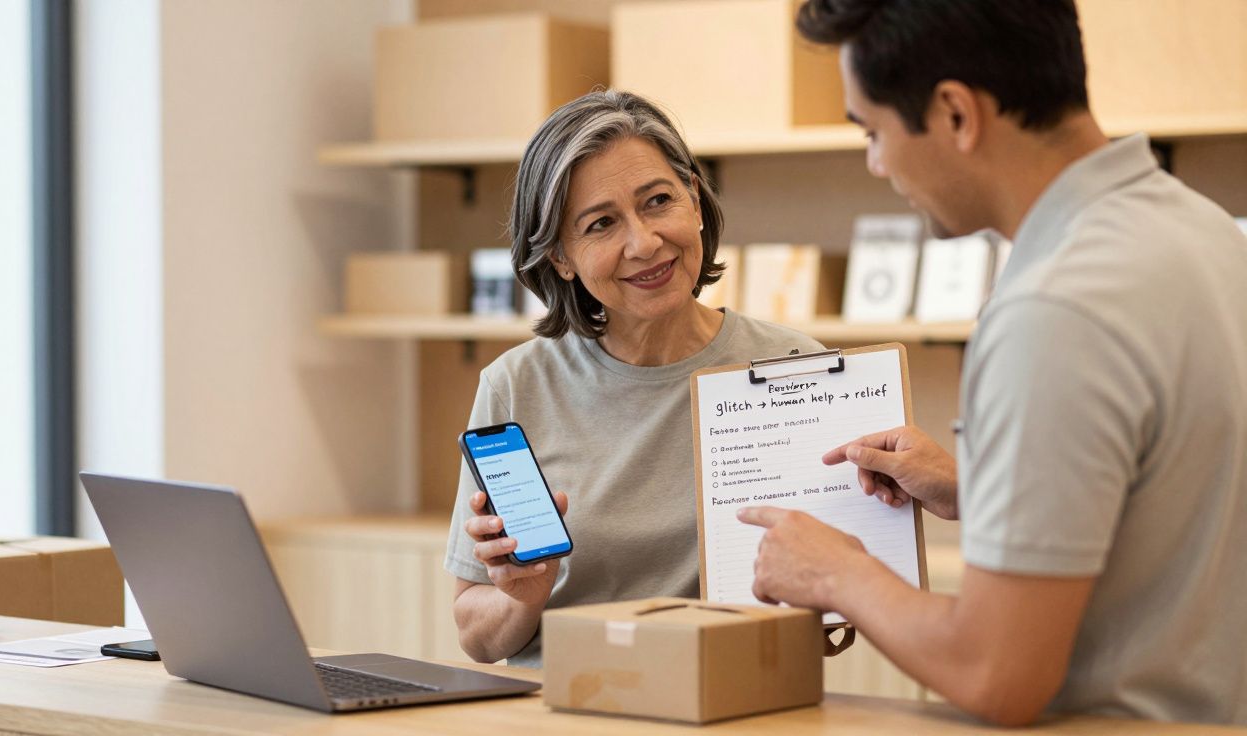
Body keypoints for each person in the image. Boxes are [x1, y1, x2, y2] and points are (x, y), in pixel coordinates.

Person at [739, 0, 1247, 726]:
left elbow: (995, 674)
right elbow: (1170, 502)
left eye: (874, 131)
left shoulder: (1054, 308)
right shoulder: (1202, 229)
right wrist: (974, 487)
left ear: (954, 113)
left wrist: (838, 574)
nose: (877, 163)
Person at [444, 90, 823, 668]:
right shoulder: (516, 385)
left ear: (694, 200)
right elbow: (478, 635)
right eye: (601, 223)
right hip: (567, 703)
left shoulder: (796, 364)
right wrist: (522, 597)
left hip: (740, 693)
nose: (644, 243)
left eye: (658, 201)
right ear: (561, 259)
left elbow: (843, 583)